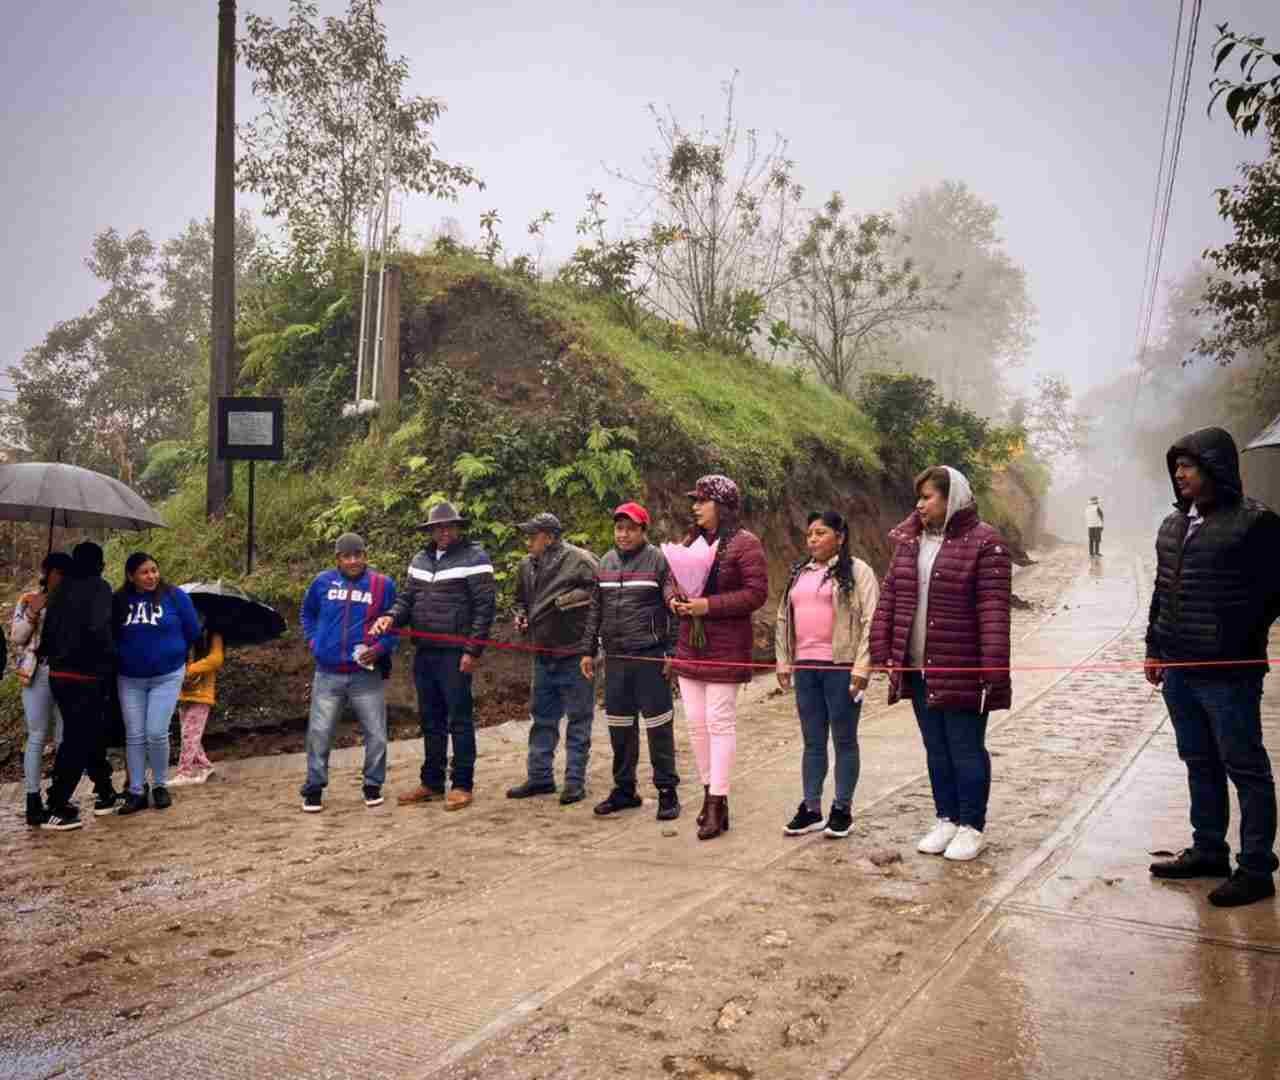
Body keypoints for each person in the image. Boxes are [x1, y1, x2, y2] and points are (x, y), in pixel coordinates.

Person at [1145, 427, 1280, 907]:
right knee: (1198, 761)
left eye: (1189, 464)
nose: (1179, 473)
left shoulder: (1255, 523)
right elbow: (1162, 591)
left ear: (1215, 467)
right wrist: (1154, 648)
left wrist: (1238, 636)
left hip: (1229, 673)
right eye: (1176, 465)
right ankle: (1208, 849)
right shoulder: (1173, 525)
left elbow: (1272, 594)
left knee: (1245, 766)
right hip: (1178, 671)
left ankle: (1257, 867)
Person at [870, 466, 1012, 862]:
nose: (920, 504)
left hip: (961, 666)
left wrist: (992, 672)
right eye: (919, 497)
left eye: (928, 496)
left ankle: (972, 825)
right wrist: (883, 648)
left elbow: (994, 615)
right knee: (936, 747)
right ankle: (946, 818)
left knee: (965, 748)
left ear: (953, 499)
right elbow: (890, 598)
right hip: (918, 668)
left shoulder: (986, 544)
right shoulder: (909, 542)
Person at [372, 502, 496, 811]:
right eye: (437, 527)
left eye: (448, 526)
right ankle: (431, 782)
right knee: (430, 720)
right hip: (424, 650)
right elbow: (406, 599)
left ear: (458, 528)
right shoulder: (420, 559)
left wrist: (473, 650)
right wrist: (390, 617)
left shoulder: (475, 558)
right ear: (430, 531)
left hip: (455, 653)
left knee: (460, 719)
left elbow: (485, 608)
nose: (443, 531)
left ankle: (463, 784)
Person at [667, 474, 769, 841]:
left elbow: (757, 593)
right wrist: (674, 601)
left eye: (702, 500)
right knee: (695, 724)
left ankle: (717, 799)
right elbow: (671, 579)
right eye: (694, 500)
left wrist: (707, 606)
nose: (695, 506)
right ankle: (711, 793)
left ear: (722, 506)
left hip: (726, 646)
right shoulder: (689, 540)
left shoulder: (746, 544)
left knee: (719, 721)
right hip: (690, 645)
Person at [776, 511, 879, 840]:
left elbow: (871, 621)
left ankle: (842, 809)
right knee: (812, 741)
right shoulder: (799, 572)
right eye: (809, 534)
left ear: (840, 536)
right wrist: (783, 661)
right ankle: (811, 808)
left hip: (842, 666)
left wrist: (862, 667)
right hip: (806, 668)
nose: (812, 540)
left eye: (820, 533)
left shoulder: (858, 571)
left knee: (844, 739)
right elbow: (783, 618)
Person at [580, 502, 680, 820]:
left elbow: (674, 608)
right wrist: (587, 651)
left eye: (630, 528)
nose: (623, 534)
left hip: (650, 657)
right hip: (616, 659)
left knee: (658, 727)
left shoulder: (659, 561)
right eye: (619, 528)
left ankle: (667, 792)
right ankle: (625, 790)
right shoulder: (605, 562)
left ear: (643, 531)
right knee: (620, 727)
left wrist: (672, 653)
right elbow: (595, 609)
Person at [298, 532, 399, 812]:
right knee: (319, 732)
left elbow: (395, 628)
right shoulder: (322, 583)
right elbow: (307, 614)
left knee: (376, 733)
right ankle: (314, 787)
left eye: (358, 555)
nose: (353, 561)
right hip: (327, 672)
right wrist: (314, 642)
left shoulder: (382, 585)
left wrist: (378, 650)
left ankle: (372, 784)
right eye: (347, 556)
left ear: (366, 556)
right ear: (338, 559)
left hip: (366, 674)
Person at [508, 512, 600, 805]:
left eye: (532, 536)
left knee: (579, 718)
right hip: (542, 653)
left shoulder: (580, 559)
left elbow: (601, 594)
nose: (527, 542)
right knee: (542, 718)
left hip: (575, 653)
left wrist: (569, 601)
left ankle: (574, 782)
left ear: (549, 537)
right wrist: (521, 617)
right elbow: (519, 601)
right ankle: (540, 778)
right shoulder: (525, 565)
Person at [36, 542, 120, 831]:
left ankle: (105, 792)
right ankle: (56, 805)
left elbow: (46, 635)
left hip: (59, 675)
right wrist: (111, 657)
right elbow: (100, 628)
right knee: (78, 740)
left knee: (89, 734)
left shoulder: (60, 590)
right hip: (87, 675)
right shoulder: (99, 587)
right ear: (98, 564)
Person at [113, 552, 202, 815]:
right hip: (129, 677)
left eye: (154, 570)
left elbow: (193, 631)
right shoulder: (119, 601)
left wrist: (180, 656)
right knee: (135, 734)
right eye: (144, 572)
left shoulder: (174, 597)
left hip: (167, 675)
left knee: (155, 732)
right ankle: (137, 791)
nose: (151, 576)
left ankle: (160, 784)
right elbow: (108, 632)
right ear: (131, 576)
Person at [13, 552, 74, 825]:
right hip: (37, 671)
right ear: (46, 573)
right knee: (37, 734)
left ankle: (58, 794)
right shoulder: (28, 599)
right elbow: (17, 637)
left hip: (67, 672)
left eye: (65, 572)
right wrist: (32, 612)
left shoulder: (74, 601)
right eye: (56, 572)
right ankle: (32, 798)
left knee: (64, 738)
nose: (60, 577)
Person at [168, 617, 225, 786]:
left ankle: (184, 772)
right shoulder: (185, 635)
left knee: (189, 733)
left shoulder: (214, 635)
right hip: (184, 692)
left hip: (202, 694)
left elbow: (216, 658)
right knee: (191, 734)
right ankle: (205, 767)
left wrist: (190, 670)